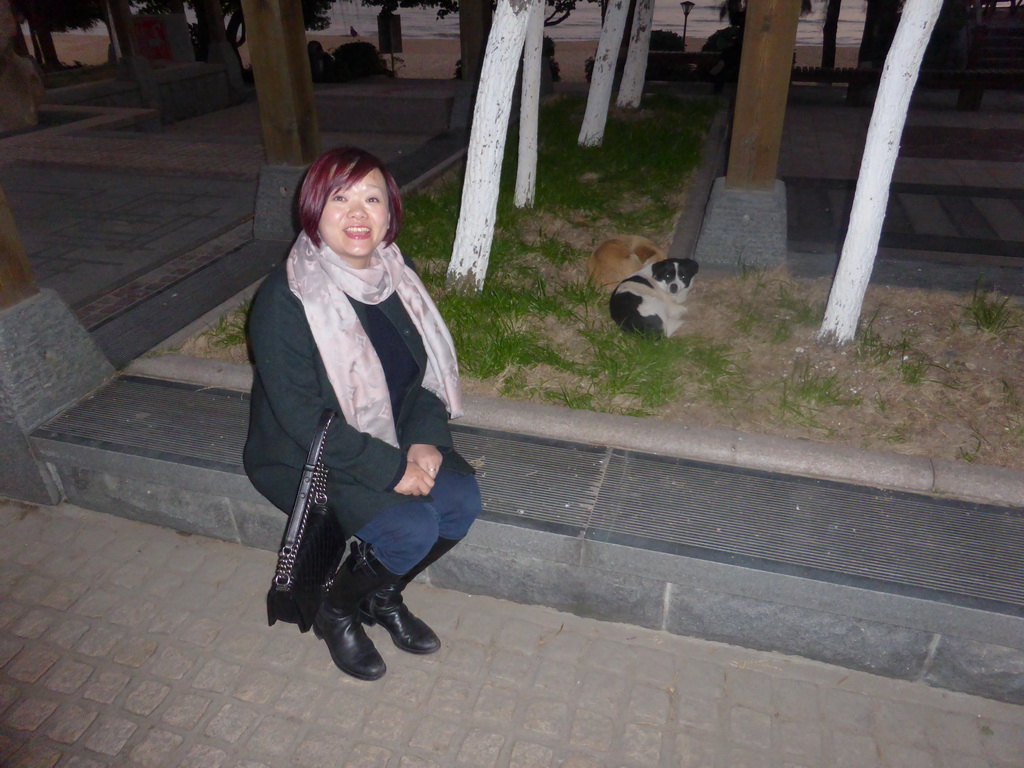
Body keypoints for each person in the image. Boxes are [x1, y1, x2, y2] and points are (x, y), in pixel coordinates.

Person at [243, 147, 481, 681]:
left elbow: (418, 376)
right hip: (306, 455)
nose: (357, 214)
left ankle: (380, 594)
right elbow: (303, 419)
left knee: (462, 499)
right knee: (410, 527)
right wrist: (393, 470)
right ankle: (337, 608)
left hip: (388, 433)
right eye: (339, 198)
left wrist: (424, 439)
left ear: (389, 212)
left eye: (372, 198)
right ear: (313, 210)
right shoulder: (286, 300)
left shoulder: (397, 276)